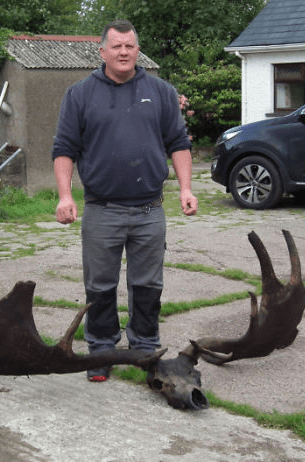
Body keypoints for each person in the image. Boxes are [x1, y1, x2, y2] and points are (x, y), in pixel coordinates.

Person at [51, 19, 198, 382]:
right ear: (102, 51)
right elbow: (64, 149)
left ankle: (145, 348)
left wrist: (185, 189)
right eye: (116, 46)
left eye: (130, 46)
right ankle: (100, 351)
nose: (123, 52)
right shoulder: (80, 94)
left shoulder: (162, 92)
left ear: (137, 50)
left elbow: (178, 143)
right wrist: (65, 195)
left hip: (150, 209)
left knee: (148, 285)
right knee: (99, 286)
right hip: (102, 210)